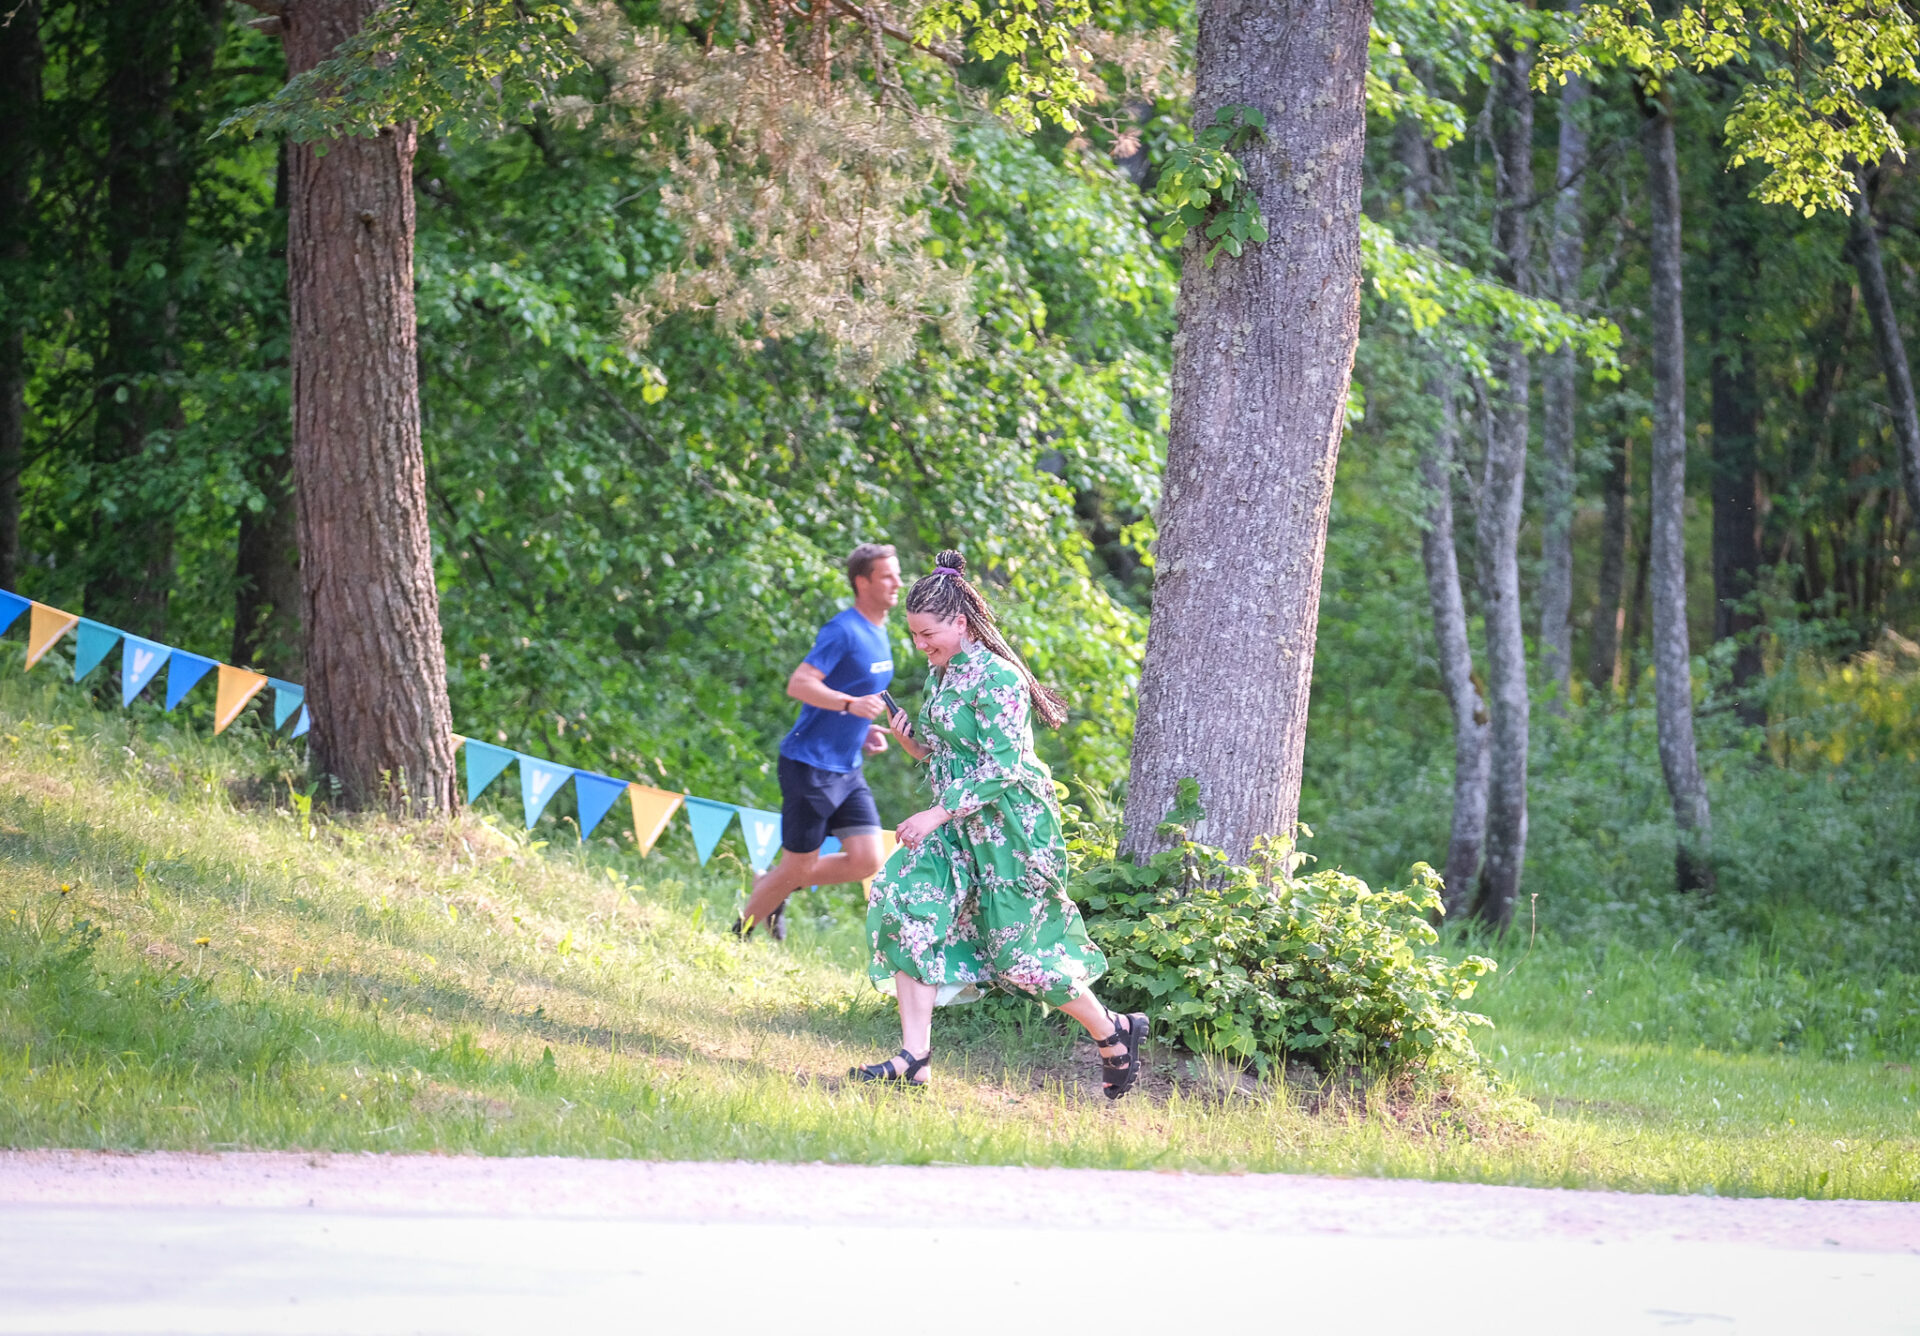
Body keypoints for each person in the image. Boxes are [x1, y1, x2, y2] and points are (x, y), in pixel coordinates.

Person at [853, 549, 1147, 1099]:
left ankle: (1113, 1030)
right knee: (905, 904)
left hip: (1011, 831)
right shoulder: (941, 675)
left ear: (961, 622)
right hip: (957, 828)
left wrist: (935, 812)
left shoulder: (999, 678)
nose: (920, 645)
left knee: (1018, 959)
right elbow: (946, 751)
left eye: (928, 634)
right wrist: (914, 745)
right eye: (913, 635)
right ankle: (914, 1058)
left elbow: (1003, 766)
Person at [734, 543, 901, 941]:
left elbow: (855, 692)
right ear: (862, 582)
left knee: (867, 860)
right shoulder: (843, 630)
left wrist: (861, 729)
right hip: (810, 766)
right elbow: (800, 683)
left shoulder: (879, 631)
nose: (898, 583)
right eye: (887, 576)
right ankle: (738, 935)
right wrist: (849, 705)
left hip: (847, 768)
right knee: (797, 867)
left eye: (897, 574)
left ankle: (773, 884)